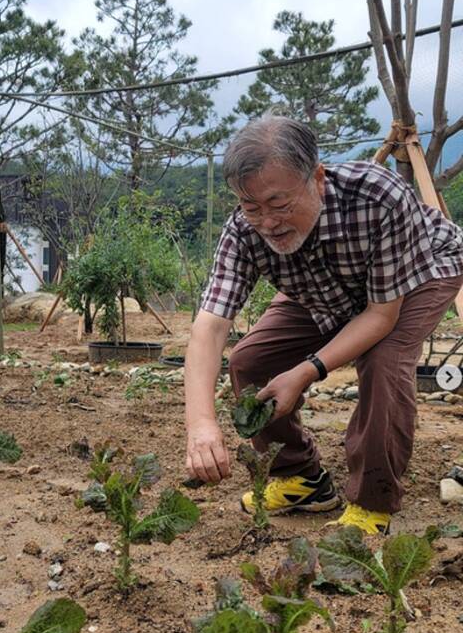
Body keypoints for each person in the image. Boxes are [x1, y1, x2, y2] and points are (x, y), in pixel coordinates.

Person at [184, 115, 463, 535]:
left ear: (317, 177)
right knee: (251, 359)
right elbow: (209, 327)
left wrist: (306, 370)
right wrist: (201, 423)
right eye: (251, 206)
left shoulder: (376, 196)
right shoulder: (244, 231)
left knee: (383, 359)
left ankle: (374, 499)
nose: (267, 221)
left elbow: (380, 316)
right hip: (324, 288)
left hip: (420, 272)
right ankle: (301, 479)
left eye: (279, 204)